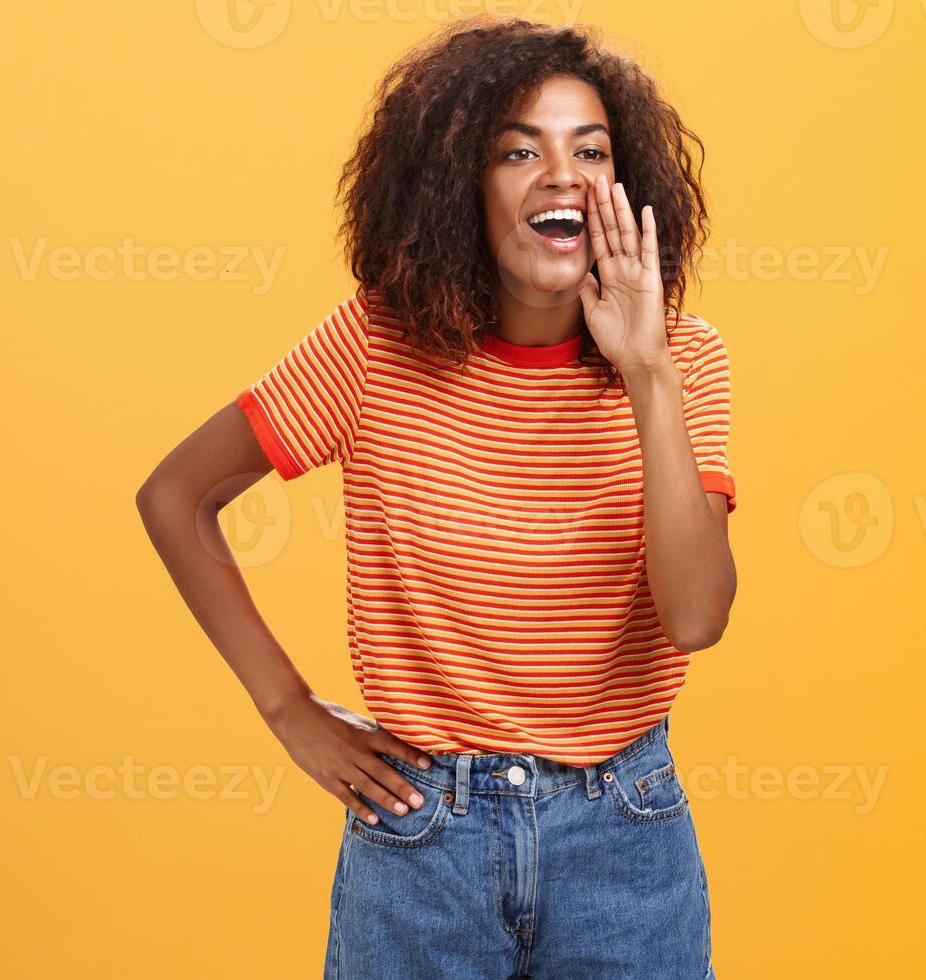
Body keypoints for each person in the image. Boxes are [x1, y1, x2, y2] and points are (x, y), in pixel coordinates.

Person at [136, 16, 735, 977]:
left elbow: (697, 616)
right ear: (461, 183)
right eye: (517, 149)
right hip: (423, 843)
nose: (562, 174)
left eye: (590, 150)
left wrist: (646, 375)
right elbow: (176, 495)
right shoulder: (375, 347)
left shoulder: (683, 360)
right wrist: (287, 706)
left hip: (625, 834)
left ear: (623, 188)